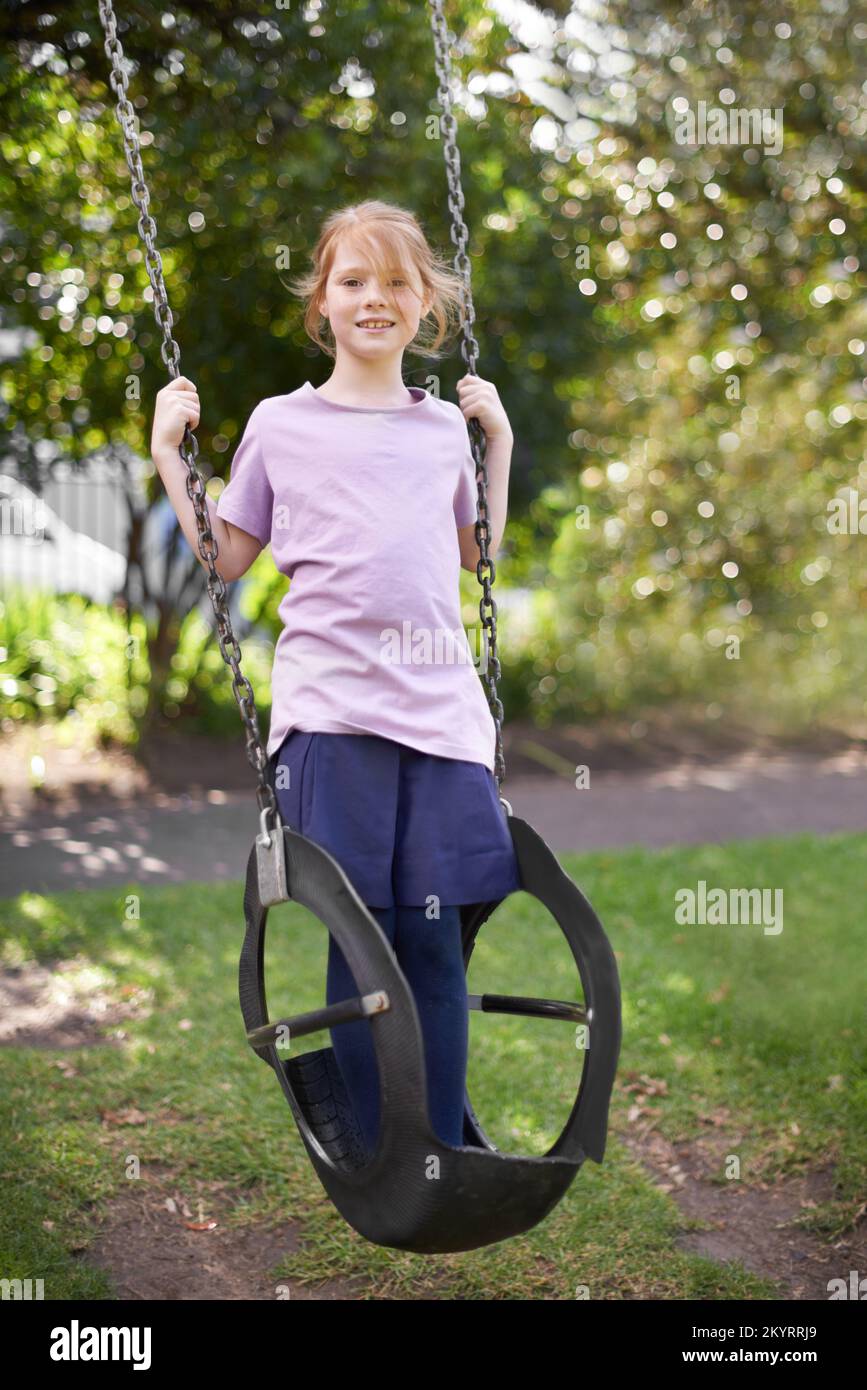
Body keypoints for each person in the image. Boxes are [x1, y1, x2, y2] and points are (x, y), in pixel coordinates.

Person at [149, 199, 520, 1152]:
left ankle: (439, 1143)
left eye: (396, 282)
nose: (374, 299)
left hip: (440, 718)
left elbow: (478, 555)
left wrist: (499, 445)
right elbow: (228, 556)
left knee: (433, 936)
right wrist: (165, 452)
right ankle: (375, 1149)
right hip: (333, 716)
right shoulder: (283, 424)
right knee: (362, 938)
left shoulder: (441, 430)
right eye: (353, 280)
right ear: (322, 301)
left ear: (424, 304)